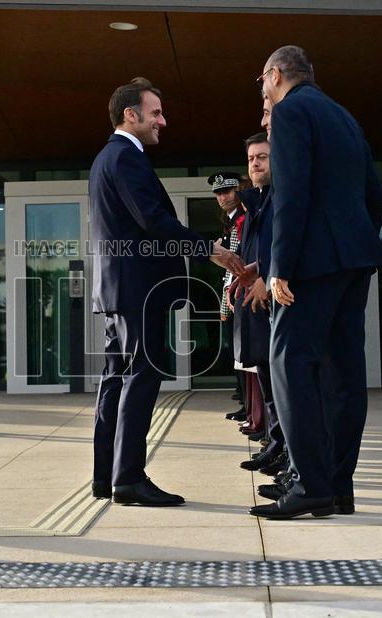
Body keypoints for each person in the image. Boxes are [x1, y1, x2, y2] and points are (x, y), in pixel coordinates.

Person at [89, 77, 245, 506]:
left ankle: (107, 475)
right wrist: (205, 249)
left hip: (119, 289)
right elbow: (153, 220)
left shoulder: (108, 157)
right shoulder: (126, 157)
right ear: (130, 114)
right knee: (140, 377)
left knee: (115, 380)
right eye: (155, 112)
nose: (163, 120)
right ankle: (129, 479)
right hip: (139, 289)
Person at [249, 45, 382, 520]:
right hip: (354, 260)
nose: (263, 90)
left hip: (310, 264)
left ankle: (310, 484)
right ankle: (337, 487)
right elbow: (374, 193)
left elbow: (292, 194)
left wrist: (280, 266)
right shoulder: (345, 117)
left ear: (275, 75)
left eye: (262, 82)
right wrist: (357, 245)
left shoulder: (290, 111)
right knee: (345, 374)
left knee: (286, 361)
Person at [233, 128, 289, 480]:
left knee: (283, 384)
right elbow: (262, 249)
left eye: (262, 157)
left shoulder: (281, 196)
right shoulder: (258, 199)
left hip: (276, 299)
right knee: (266, 377)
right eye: (251, 159)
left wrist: (266, 277)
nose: (255, 164)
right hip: (257, 298)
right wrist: (251, 270)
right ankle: (276, 444)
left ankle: (285, 451)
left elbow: (283, 246)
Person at [209, 172, 248, 423]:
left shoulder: (242, 220)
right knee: (237, 354)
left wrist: (215, 255)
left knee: (245, 355)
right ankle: (247, 404)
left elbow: (238, 263)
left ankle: (251, 408)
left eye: (228, 191)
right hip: (233, 294)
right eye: (219, 193)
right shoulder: (232, 222)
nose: (223, 197)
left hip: (243, 293)